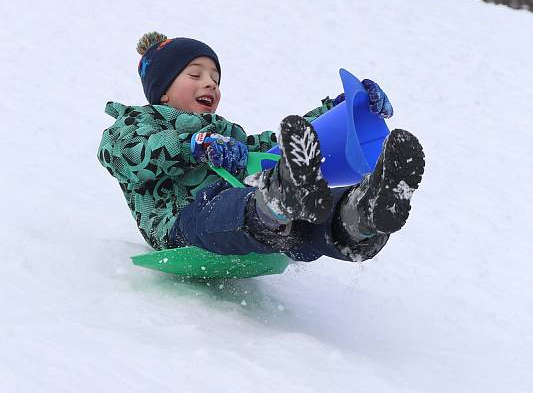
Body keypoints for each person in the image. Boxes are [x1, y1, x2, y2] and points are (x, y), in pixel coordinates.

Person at [97, 32, 425, 265]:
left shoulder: (226, 133)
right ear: (163, 92)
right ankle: (276, 202)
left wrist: (338, 110)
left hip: (254, 220)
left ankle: (360, 214)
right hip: (180, 226)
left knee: (305, 213)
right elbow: (128, 155)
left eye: (215, 78)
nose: (209, 83)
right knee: (221, 202)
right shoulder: (135, 124)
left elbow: (274, 148)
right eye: (194, 75)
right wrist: (191, 145)